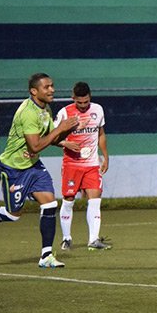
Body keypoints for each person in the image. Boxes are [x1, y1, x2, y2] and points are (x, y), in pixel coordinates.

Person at [0, 73, 82, 267]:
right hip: (14, 168)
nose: (52, 89)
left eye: (52, 85)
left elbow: (51, 137)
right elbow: (35, 146)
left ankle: (46, 256)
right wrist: (61, 129)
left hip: (33, 166)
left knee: (50, 204)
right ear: (34, 92)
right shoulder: (28, 113)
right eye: (46, 87)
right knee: (12, 215)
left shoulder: (45, 109)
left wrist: (68, 134)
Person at [54, 82, 111, 251]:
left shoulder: (98, 110)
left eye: (86, 102)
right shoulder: (65, 113)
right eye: (80, 103)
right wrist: (66, 143)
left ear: (90, 97)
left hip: (92, 164)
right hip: (72, 165)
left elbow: (100, 134)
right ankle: (66, 238)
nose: (84, 106)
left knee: (95, 199)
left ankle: (93, 240)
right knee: (69, 200)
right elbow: (52, 137)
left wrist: (106, 156)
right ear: (73, 98)